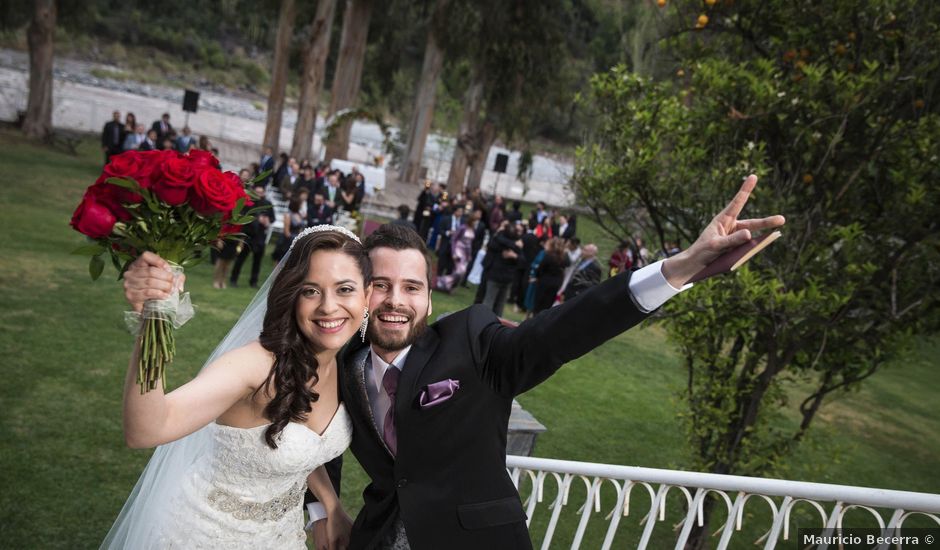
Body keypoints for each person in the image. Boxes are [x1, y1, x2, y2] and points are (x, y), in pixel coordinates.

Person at [305, 174, 784, 549]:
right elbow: (309, 434)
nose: (396, 301)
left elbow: (563, 330)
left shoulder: (472, 341)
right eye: (382, 285)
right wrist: (323, 510)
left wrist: (679, 266)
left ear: (429, 300)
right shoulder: (341, 360)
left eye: (412, 287)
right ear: (362, 293)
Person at [101, 226, 370, 549]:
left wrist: (331, 506)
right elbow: (145, 429)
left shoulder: (344, 364)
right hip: (205, 535)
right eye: (310, 290)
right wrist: (152, 319)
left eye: (344, 289)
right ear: (291, 295)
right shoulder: (254, 365)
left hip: (283, 536)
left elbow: (305, 451)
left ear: (366, 296)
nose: (328, 306)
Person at [230, 182, 274, 289]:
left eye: (261, 192)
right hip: (248, 235)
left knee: (257, 261)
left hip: (260, 237)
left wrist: (267, 221)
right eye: (257, 192)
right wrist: (257, 219)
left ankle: (253, 281)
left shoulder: (267, 203)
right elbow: (243, 217)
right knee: (241, 259)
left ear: (264, 193)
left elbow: (272, 218)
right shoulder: (248, 203)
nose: (259, 194)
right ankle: (233, 279)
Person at [432, 211, 475, 293]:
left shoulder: (472, 230)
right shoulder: (463, 227)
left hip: (465, 253)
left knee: (460, 272)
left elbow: (470, 244)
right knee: (459, 271)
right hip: (459, 250)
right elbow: (454, 239)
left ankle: (444, 283)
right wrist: (454, 252)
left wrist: (469, 255)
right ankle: (440, 282)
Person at [532, 237, 570, 314]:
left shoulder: (548, 255)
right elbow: (568, 263)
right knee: (547, 305)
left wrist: (537, 277)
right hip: (556, 283)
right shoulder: (564, 257)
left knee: (539, 304)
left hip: (545, 281)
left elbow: (541, 268)